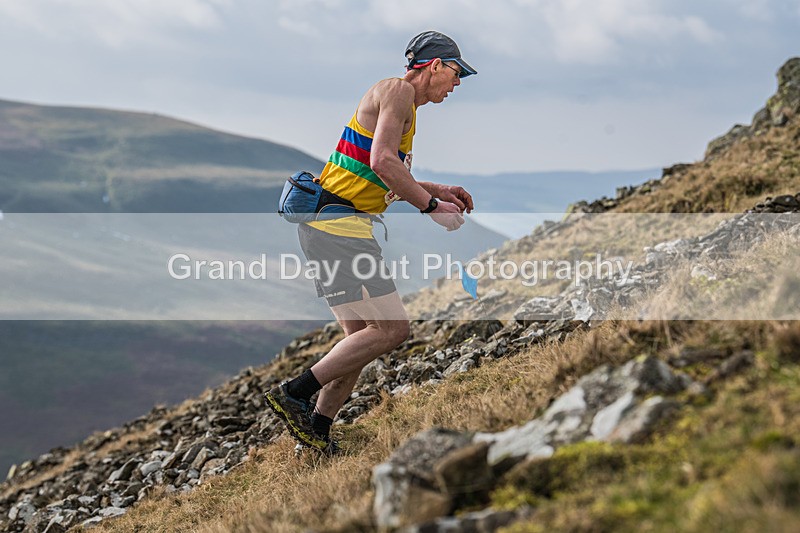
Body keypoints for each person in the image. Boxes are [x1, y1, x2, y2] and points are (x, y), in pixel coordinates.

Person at [265, 31, 477, 454]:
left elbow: (380, 173)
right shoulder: (397, 91)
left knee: (361, 338)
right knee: (392, 329)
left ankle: (317, 431)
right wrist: (431, 206)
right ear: (434, 65)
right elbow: (382, 162)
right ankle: (294, 393)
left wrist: (439, 189)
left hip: (328, 228)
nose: (457, 83)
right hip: (339, 228)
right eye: (456, 72)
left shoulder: (403, 105)